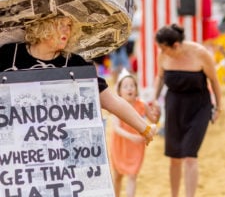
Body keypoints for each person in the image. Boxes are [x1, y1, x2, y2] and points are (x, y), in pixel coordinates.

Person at [0, 16, 156, 145]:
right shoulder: (8, 54)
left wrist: (144, 128)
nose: (66, 30)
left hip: (57, 151)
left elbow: (111, 100)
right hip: (14, 153)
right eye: (59, 24)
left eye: (68, 25)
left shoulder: (76, 63)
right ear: (42, 26)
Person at [152, 24, 221, 197]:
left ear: (175, 45)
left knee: (190, 155)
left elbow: (214, 81)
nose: (161, 51)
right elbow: (160, 77)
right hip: (174, 106)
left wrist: (218, 107)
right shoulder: (164, 55)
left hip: (199, 106)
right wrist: (154, 99)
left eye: (163, 48)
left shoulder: (201, 54)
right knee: (174, 157)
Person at [110, 71, 159, 197]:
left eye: (132, 85)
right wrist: (131, 137)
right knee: (117, 176)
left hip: (136, 146)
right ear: (119, 91)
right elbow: (116, 128)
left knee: (132, 175)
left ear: (137, 89)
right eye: (125, 86)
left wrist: (158, 115)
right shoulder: (117, 105)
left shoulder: (142, 105)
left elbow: (153, 120)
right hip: (120, 144)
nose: (129, 88)